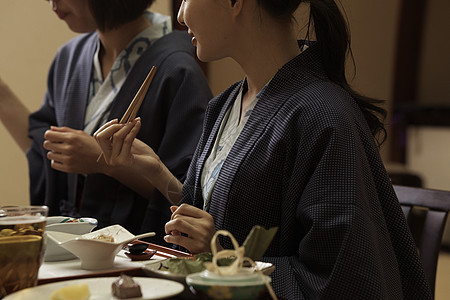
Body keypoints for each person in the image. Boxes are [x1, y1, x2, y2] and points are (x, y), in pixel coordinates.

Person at [94, 0, 432, 298]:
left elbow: (339, 279)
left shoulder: (326, 116)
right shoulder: (225, 104)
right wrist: (154, 169)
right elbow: (204, 226)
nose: (181, 15)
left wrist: (226, 256)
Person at [26, 0, 212, 246]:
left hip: (135, 251)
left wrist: (103, 161)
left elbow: (188, 195)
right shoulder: (69, 58)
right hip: (70, 247)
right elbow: (44, 148)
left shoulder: (178, 69)